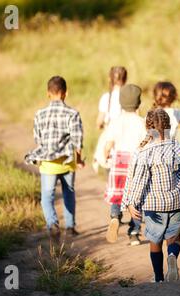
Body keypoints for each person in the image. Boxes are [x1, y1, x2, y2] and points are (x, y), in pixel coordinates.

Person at [121, 108, 180, 282]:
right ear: (168, 126)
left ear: (147, 128)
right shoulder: (175, 147)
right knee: (174, 236)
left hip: (154, 204)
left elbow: (139, 182)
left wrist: (130, 203)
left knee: (155, 240)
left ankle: (158, 276)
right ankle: (172, 256)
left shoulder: (144, 152)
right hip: (178, 201)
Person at [25, 76, 85, 239]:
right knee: (69, 192)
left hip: (48, 164)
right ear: (66, 93)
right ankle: (70, 227)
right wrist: (79, 160)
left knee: (47, 196)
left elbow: (38, 139)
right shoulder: (73, 113)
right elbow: (77, 141)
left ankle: (52, 224)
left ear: (48, 94)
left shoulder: (40, 114)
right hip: (66, 162)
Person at [104, 84, 147, 246]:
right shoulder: (141, 122)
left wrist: (105, 155)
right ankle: (134, 233)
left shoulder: (116, 121)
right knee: (136, 198)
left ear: (121, 103)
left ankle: (115, 217)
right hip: (135, 162)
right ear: (138, 102)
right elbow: (145, 144)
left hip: (119, 161)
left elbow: (108, 144)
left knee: (118, 192)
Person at [92, 66, 128, 172]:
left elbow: (99, 121)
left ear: (110, 79)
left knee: (112, 172)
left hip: (110, 141)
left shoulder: (106, 98)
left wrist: (101, 125)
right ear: (125, 79)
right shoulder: (130, 97)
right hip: (126, 140)